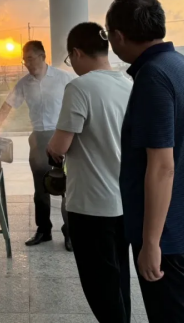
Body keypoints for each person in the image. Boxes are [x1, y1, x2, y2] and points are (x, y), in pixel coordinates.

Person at [106, 0, 184, 322]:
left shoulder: (153, 77)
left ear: (118, 35)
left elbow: (162, 167)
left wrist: (151, 242)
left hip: (166, 235)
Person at [46, 22, 133, 323]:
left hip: (91, 206)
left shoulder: (79, 87)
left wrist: (52, 147)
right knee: (119, 279)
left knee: (100, 287)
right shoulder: (128, 82)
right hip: (123, 202)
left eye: (70, 59)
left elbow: (60, 146)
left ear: (76, 53)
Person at [0, 40, 73, 249]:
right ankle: (43, 230)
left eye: (30, 59)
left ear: (42, 56)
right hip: (38, 138)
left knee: (66, 187)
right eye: (25, 60)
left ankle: (70, 232)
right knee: (41, 188)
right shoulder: (25, 83)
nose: (27, 64)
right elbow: (8, 105)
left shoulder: (63, 78)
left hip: (60, 136)